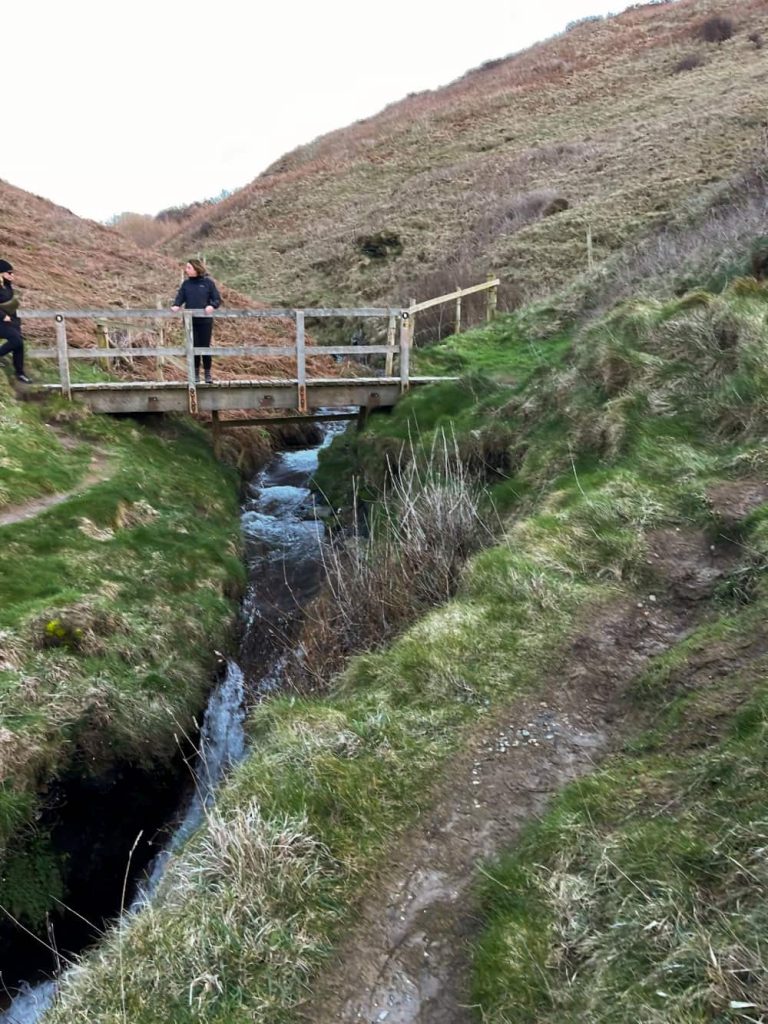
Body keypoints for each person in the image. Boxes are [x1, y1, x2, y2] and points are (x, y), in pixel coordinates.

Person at [171, 259, 222, 384]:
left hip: (205, 321)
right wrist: (176, 305)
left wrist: (212, 306)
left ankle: (207, 374)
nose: (186, 270)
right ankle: (195, 375)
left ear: (196, 269)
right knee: (193, 347)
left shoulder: (208, 283)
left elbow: (217, 299)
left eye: (188, 267)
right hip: (190, 322)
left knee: (205, 347)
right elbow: (180, 297)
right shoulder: (186, 284)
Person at [0, 259, 31, 384]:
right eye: (9, 272)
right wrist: (2, 316)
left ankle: (20, 373)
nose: (12, 275)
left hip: (11, 320)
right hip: (1, 321)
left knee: (19, 344)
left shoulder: (7, 286)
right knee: (16, 340)